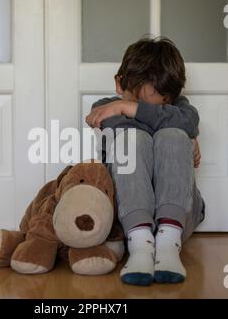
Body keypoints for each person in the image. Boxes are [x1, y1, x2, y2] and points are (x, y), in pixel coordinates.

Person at [85, 37, 205, 286]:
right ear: (119, 85)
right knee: (134, 137)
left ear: (172, 98)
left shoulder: (182, 108)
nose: (128, 110)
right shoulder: (106, 108)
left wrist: (178, 134)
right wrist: (176, 129)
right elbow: (126, 129)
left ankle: (168, 244)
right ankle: (140, 245)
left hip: (180, 217)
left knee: (173, 134)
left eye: (164, 107)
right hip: (125, 215)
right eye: (133, 103)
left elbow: (188, 121)